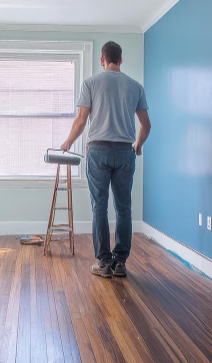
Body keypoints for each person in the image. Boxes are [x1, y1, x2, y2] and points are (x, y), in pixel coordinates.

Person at [60, 41, 150, 278]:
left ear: (102, 60)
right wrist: (137, 146)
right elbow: (146, 126)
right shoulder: (135, 87)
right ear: (121, 60)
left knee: (99, 206)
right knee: (123, 207)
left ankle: (103, 262)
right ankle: (120, 262)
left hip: (98, 151)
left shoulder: (90, 83)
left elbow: (81, 121)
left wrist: (68, 142)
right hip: (124, 152)